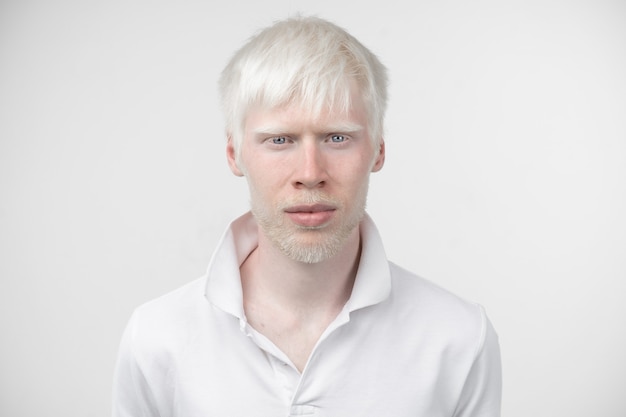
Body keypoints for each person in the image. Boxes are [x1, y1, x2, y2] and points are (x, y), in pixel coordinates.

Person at [112, 15, 502, 417]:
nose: (310, 174)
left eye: (337, 138)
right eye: (279, 140)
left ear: (378, 150)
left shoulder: (458, 339)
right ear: (234, 154)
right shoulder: (157, 339)